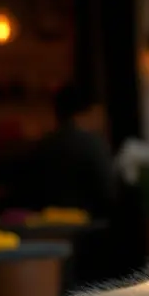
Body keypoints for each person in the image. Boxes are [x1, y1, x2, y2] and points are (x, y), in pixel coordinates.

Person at [29, 85, 115, 218]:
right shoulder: (93, 145)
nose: (103, 121)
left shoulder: (43, 145)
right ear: (89, 112)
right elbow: (109, 192)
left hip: (48, 225)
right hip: (89, 228)